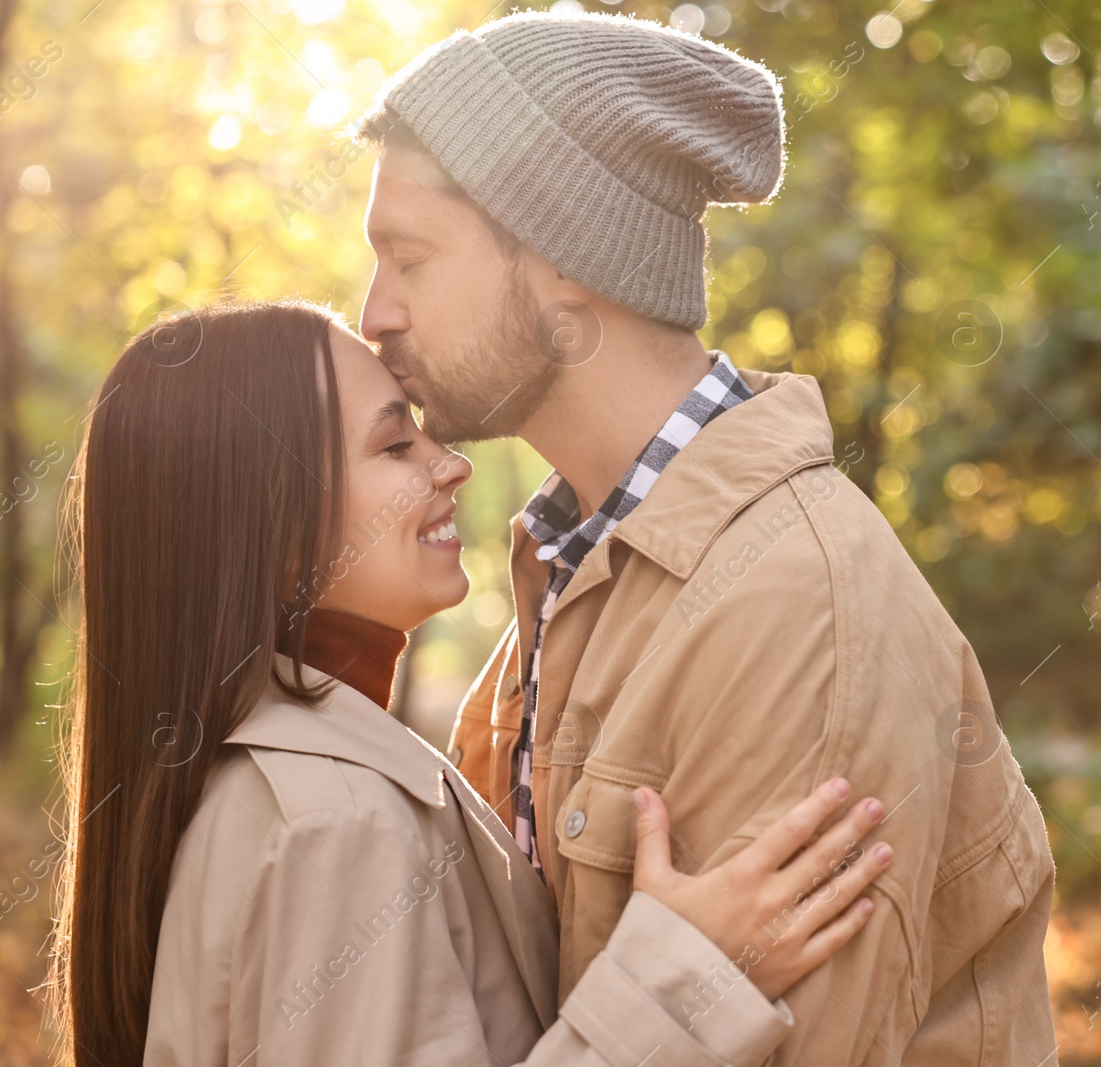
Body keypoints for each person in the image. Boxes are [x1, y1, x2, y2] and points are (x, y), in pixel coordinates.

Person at [355, 11, 1058, 1063]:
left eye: (407, 257)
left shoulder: (790, 607)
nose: (375, 312)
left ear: (561, 254)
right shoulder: (568, 576)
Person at [47, 299, 894, 1066]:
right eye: (394, 444)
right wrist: (686, 987)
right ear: (277, 533)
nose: (451, 464)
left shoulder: (268, 784)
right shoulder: (334, 824)